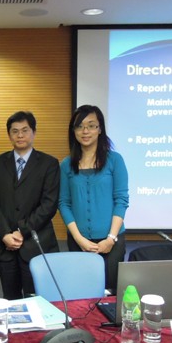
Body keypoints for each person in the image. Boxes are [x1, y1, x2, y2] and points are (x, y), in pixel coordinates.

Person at [0, 111, 60, 300]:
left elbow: (49, 204)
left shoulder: (49, 164)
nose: (20, 135)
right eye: (15, 131)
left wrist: (22, 231)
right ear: (9, 134)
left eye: (25, 130)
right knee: (10, 300)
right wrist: (5, 234)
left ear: (34, 132)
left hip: (36, 243)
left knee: (37, 300)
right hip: (5, 246)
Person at [59, 104, 129, 294]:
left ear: (100, 129)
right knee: (82, 294)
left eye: (91, 125)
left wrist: (111, 238)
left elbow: (121, 200)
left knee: (111, 294)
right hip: (79, 241)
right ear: (73, 131)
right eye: (79, 126)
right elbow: (64, 203)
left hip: (111, 241)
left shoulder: (115, 160)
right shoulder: (66, 164)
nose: (85, 131)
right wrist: (79, 238)